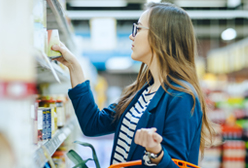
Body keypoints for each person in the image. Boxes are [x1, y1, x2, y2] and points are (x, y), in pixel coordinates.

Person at [52, 2, 214, 167]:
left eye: (138, 29)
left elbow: (177, 164)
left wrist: (155, 152)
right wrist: (74, 66)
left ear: (160, 36)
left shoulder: (181, 96)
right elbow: (92, 124)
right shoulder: (141, 92)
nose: (132, 36)